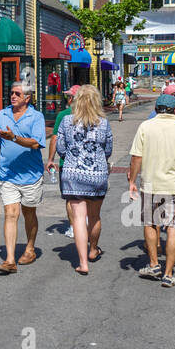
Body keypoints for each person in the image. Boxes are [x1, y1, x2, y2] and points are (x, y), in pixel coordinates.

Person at [127, 93, 175, 288]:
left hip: (151, 184)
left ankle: (153, 265)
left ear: (156, 109)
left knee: (151, 223)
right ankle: (168, 274)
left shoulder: (145, 127)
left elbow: (136, 157)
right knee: (174, 227)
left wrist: (132, 180)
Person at [50, 85, 112, 275]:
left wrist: (72, 157)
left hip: (73, 173)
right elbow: (108, 149)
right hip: (97, 174)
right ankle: (93, 249)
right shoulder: (103, 123)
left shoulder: (66, 121)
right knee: (94, 216)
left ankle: (83, 263)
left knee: (78, 218)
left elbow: (61, 147)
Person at [0, 81, 46, 274]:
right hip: (8, 173)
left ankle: (30, 248)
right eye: (11, 93)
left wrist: (14, 137)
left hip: (31, 175)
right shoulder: (2, 114)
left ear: (27, 98)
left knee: (29, 213)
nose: (12, 96)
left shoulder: (36, 117)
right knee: (11, 213)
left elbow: (36, 143)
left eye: (17, 94)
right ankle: (10, 259)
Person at [48, 84, 80, 238]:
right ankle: (85, 222)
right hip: (88, 165)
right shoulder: (93, 115)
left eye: (68, 96)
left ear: (72, 99)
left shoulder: (63, 115)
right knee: (86, 197)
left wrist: (50, 159)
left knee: (70, 198)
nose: (67, 99)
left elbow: (55, 138)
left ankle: (74, 227)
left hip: (67, 163)